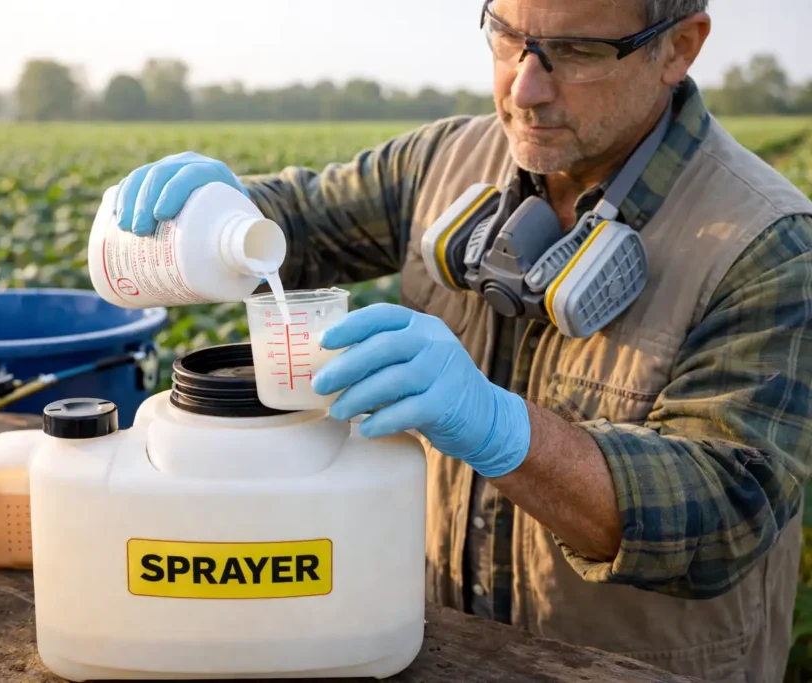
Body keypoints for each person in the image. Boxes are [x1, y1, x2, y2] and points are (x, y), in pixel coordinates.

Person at [109, 0, 812, 680]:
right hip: (436, 649)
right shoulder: (444, 159)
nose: (525, 87)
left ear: (680, 47)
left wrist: (505, 430)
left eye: (577, 51)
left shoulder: (767, 243)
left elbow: (726, 510)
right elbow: (298, 221)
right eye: (508, 37)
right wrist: (220, 213)